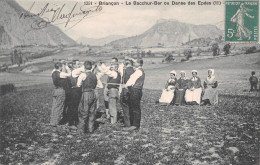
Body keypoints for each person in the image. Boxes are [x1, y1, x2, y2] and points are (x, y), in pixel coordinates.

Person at [123, 59, 145, 131]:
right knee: (135, 108)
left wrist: (126, 85)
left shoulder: (138, 71)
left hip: (135, 91)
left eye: (135, 62)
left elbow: (132, 79)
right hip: (136, 91)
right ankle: (135, 125)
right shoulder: (139, 71)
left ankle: (135, 125)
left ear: (138, 64)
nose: (134, 63)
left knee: (135, 108)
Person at [76, 61, 98, 134]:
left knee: (83, 111)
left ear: (84, 66)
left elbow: (78, 85)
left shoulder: (83, 75)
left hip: (86, 94)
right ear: (91, 67)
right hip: (93, 93)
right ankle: (91, 129)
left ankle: (81, 130)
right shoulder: (95, 75)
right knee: (92, 112)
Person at [120, 59, 135, 127]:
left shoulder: (127, 71)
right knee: (131, 107)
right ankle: (132, 122)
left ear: (126, 64)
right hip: (133, 91)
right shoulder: (134, 70)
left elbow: (125, 81)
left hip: (126, 90)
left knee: (125, 106)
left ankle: (127, 124)